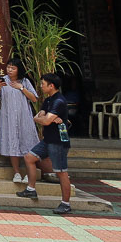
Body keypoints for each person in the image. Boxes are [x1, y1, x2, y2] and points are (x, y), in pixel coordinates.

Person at [18, 72, 74, 214]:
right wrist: (41, 119)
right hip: (48, 139)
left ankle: (65, 203)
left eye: (43, 84)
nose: (41, 86)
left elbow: (45, 120)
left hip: (58, 142)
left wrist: (42, 119)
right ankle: (31, 189)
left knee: (61, 172)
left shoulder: (58, 101)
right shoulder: (48, 100)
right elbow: (39, 117)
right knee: (29, 157)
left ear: (51, 85)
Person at [0, 59, 39, 183]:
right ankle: (16, 172)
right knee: (12, 142)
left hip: (24, 117)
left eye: (13, 68)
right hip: (9, 117)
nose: (10, 70)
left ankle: (28, 172)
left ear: (18, 70)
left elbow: (34, 98)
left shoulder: (25, 81)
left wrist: (21, 88)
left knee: (26, 142)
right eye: (8, 67)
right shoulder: (2, 80)